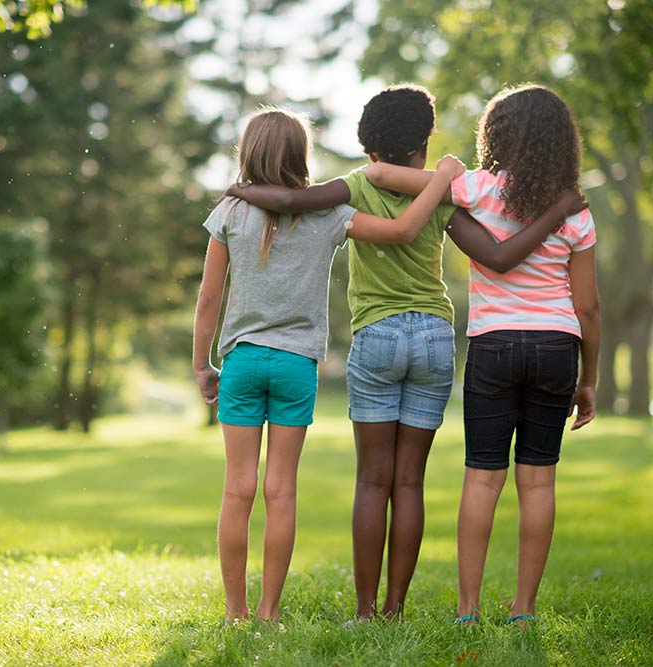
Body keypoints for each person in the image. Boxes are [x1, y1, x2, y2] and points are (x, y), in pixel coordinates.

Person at [225, 84, 587, 621]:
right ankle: (397, 606)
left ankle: (368, 611)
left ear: (370, 149)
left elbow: (293, 200)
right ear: (425, 143)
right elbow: (495, 252)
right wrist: (550, 204)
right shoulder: (445, 194)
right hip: (435, 340)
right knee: (410, 480)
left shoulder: (357, 185)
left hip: (376, 336)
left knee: (373, 478)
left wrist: (241, 189)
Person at [193, 106, 468, 624]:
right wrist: (446, 177)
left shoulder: (229, 213)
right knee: (281, 490)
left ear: (246, 154)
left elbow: (209, 298)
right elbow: (406, 229)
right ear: (302, 156)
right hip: (297, 366)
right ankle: (270, 611)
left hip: (244, 361)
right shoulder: (329, 216)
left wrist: (203, 364)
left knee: (238, 489)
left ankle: (236, 613)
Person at [364, 83, 601, 628]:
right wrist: (590, 380)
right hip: (557, 345)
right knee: (538, 481)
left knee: (482, 478)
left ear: (495, 136)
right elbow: (588, 307)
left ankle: (467, 610)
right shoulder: (576, 212)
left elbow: (378, 175)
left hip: (493, 344)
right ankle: (523, 611)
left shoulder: (478, 187)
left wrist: (446, 173)